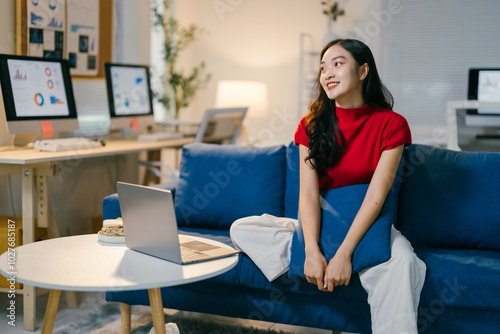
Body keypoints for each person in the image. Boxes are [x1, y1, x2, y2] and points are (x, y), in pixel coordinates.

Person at [231, 38, 426, 334]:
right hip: (322, 226)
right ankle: (316, 261)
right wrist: (310, 249)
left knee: (404, 263)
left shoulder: (391, 124)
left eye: (338, 64)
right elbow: (308, 195)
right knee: (241, 229)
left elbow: (377, 195)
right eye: (323, 68)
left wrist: (345, 254)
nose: (328, 74)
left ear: (363, 71)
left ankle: (350, 261)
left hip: (369, 225)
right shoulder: (310, 125)